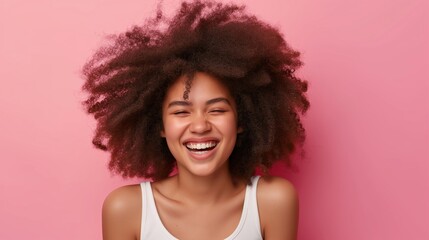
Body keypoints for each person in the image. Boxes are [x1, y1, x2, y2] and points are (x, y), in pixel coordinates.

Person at [82, 0, 309, 239]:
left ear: (242, 119)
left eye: (217, 110)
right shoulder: (127, 210)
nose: (200, 126)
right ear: (160, 126)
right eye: (181, 112)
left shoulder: (272, 202)